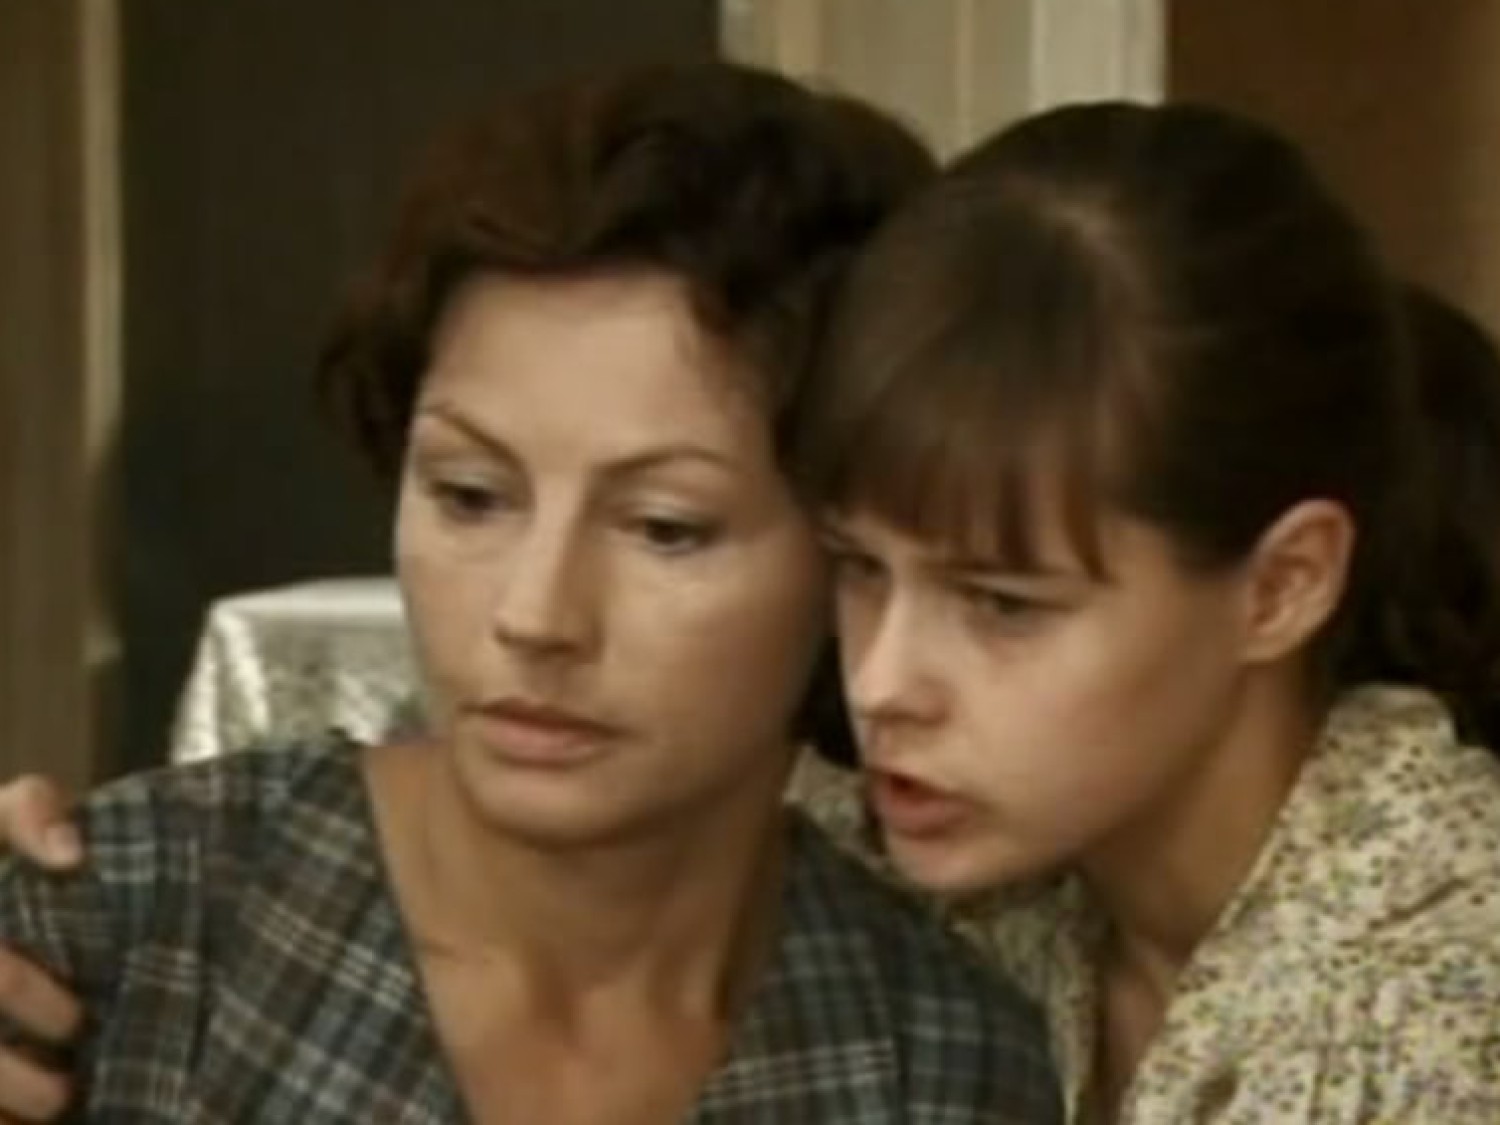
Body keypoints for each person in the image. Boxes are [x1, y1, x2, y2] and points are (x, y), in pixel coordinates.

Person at [0, 62, 1061, 1123]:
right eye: (470, 495)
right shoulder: (127, 927)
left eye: (666, 527)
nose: (536, 616)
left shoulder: (942, 1065)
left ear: (855, 558)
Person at [794, 101, 1500, 1121]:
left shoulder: (1451, 1018)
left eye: (1003, 603)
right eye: (860, 567)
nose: (879, 683)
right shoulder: (945, 893)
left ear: (1282, 586)